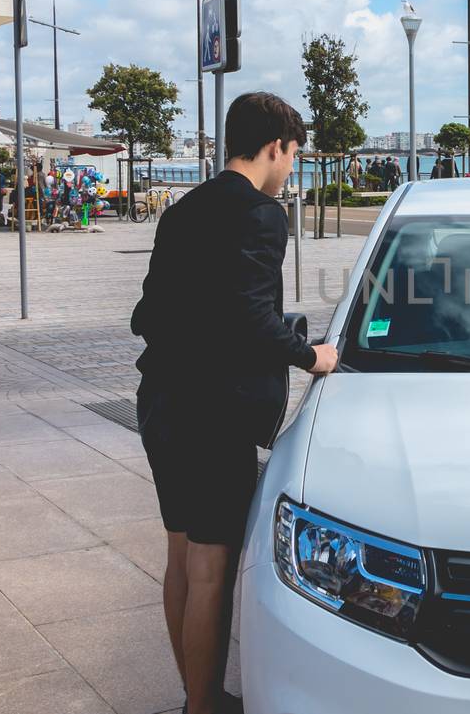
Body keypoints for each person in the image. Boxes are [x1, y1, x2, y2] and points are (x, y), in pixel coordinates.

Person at [131, 92, 337, 714]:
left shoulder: (182, 211)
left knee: (179, 553)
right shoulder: (261, 214)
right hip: (215, 413)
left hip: (162, 403)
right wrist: (310, 356)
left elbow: (147, 311)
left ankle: (198, 695)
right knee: (211, 567)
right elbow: (252, 318)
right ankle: (202, 706)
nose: (291, 170)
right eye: (294, 157)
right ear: (275, 146)